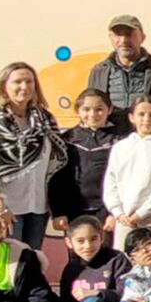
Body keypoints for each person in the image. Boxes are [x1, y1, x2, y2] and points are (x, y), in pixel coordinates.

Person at [0, 61, 67, 252]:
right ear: (4, 87)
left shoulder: (44, 120)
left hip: (37, 207)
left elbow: (55, 164)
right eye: (18, 82)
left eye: (29, 81)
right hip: (6, 207)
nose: (25, 87)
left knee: (30, 262)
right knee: (6, 265)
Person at [87, 14, 151, 135]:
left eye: (129, 34)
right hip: (112, 144)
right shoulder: (99, 71)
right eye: (118, 34)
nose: (123, 40)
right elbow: (89, 109)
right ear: (110, 38)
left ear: (142, 37)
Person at [102, 95, 151, 251]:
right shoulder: (120, 147)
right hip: (124, 218)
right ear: (131, 117)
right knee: (126, 261)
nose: (146, 119)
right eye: (141, 114)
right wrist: (118, 212)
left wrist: (141, 213)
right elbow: (111, 183)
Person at [49, 87, 118, 237]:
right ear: (77, 110)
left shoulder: (119, 140)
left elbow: (125, 179)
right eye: (86, 109)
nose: (92, 114)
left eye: (99, 109)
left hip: (106, 211)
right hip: (74, 210)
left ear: (110, 109)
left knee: (106, 254)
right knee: (79, 255)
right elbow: (56, 179)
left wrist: (115, 212)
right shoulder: (66, 140)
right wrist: (58, 212)